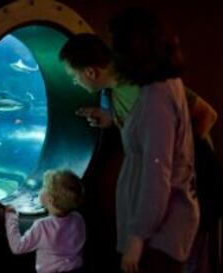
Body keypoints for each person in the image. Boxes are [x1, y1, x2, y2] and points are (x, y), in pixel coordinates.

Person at [60, 7, 200, 273]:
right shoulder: (160, 85)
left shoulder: (155, 97)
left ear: (134, 48)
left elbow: (156, 173)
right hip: (155, 226)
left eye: (116, 44)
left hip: (158, 234)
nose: (112, 53)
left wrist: (137, 238)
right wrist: (111, 119)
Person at [5, 169, 86, 273]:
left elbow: (17, 247)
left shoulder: (43, 226)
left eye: (43, 188)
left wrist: (11, 217)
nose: (40, 190)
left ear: (50, 200)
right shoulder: (78, 219)